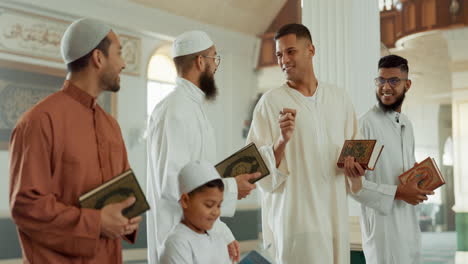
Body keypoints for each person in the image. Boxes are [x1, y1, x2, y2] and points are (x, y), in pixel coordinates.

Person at [8, 18, 142, 263]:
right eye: (119, 54)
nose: (123, 64)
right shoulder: (38, 121)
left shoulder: (111, 126)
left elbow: (124, 191)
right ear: (98, 58)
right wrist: (96, 223)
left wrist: (129, 215)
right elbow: (26, 207)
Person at [246, 23, 358, 263]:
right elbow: (253, 170)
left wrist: (354, 168)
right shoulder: (270, 103)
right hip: (296, 223)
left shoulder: (340, 99)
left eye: (290, 51)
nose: (283, 59)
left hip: (335, 218)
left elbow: (354, 158)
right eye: (279, 54)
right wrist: (281, 141)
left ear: (311, 50)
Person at [146, 30, 258, 263]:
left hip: (202, 234)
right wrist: (231, 187)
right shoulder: (174, 110)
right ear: (200, 61)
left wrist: (223, 232)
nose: (216, 66)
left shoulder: (192, 107)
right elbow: (172, 182)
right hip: (178, 241)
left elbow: (200, 175)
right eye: (214, 58)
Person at [345, 55, 434, 264]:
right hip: (383, 232)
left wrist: (419, 180)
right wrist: (399, 192)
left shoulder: (407, 124)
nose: (386, 87)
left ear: (407, 84)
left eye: (394, 81)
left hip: (409, 227)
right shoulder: (363, 126)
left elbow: (401, 169)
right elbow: (354, 188)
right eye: (381, 80)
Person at [160, 161, 234, 264]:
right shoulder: (177, 243)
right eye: (209, 205)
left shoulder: (218, 239)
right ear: (185, 200)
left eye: (219, 205)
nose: (216, 212)